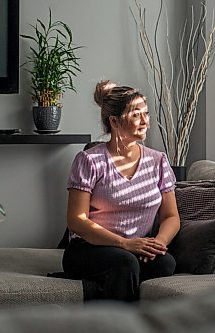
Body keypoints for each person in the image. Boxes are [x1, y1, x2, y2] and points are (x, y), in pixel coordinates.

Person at [63, 80, 180, 302]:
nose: (145, 121)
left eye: (146, 113)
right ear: (114, 121)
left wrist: (159, 243)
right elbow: (76, 221)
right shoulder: (89, 160)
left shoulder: (158, 161)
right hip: (90, 248)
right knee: (125, 262)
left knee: (165, 262)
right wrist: (124, 243)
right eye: (137, 115)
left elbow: (171, 216)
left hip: (136, 246)